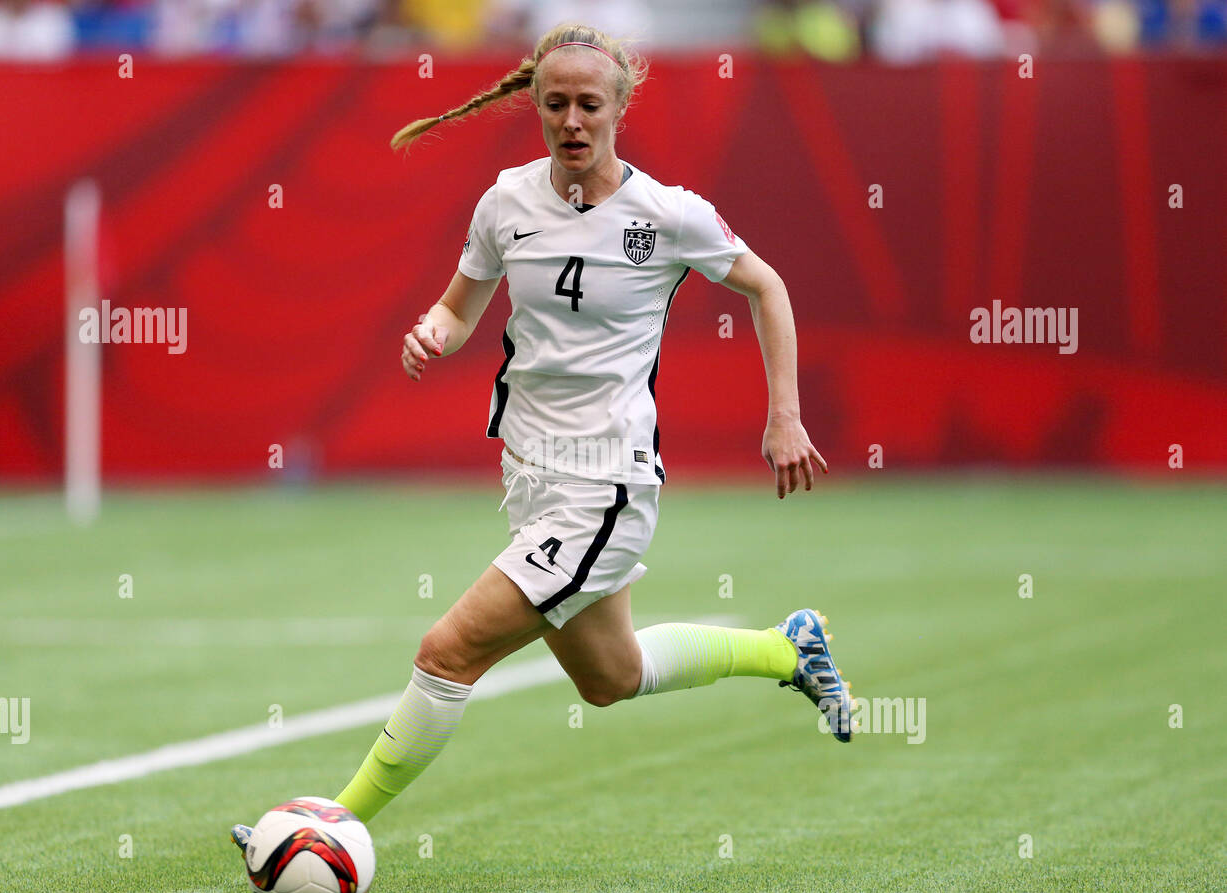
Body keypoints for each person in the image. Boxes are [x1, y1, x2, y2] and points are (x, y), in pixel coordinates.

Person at [233, 21, 858, 851]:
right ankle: (788, 650)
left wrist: (784, 415)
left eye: (589, 105)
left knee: (448, 649)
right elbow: (461, 305)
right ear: (534, 103)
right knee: (611, 677)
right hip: (531, 477)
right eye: (556, 103)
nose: (572, 120)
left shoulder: (667, 215)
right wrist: (432, 330)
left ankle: (330, 828)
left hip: (606, 486)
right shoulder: (506, 202)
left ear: (618, 108)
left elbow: (765, 285)